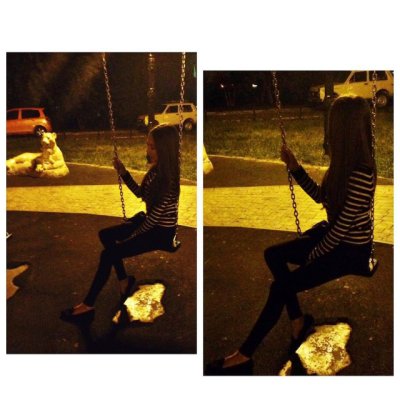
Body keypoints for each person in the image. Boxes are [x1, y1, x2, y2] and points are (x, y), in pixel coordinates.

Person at [206, 96, 376, 375]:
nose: (327, 130)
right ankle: (297, 321)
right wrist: (295, 168)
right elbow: (322, 197)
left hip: (350, 250)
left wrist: (312, 257)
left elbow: (341, 230)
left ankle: (243, 355)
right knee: (273, 255)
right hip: (334, 239)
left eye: (331, 125)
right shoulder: (341, 166)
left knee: (280, 288)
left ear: (341, 130)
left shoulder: (362, 173)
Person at [61, 124, 180, 322]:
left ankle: (88, 305)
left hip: (161, 233)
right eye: (147, 145)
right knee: (105, 235)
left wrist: (130, 237)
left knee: (108, 254)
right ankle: (124, 280)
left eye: (153, 147)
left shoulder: (169, 181)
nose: (148, 151)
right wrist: (124, 173)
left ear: (165, 150)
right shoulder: (155, 172)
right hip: (150, 225)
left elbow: (153, 220)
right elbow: (141, 194)